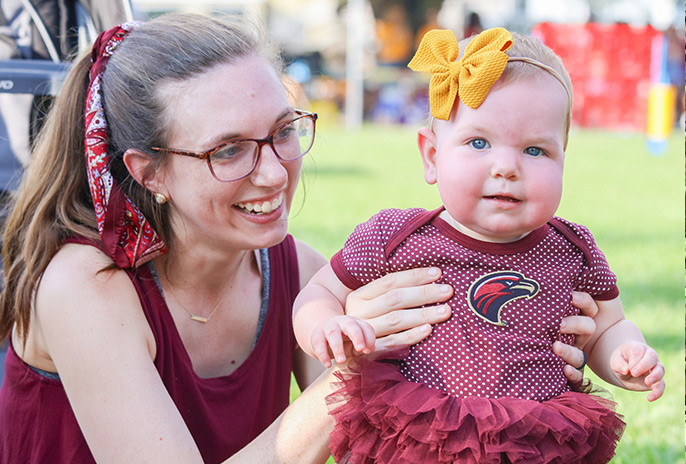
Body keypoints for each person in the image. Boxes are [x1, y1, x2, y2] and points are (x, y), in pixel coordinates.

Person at [0, 14, 597, 463]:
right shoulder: (85, 288)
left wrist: (510, 369)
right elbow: (340, 397)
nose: (273, 171)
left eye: (284, 130)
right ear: (148, 171)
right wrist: (353, 371)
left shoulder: (299, 276)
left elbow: (389, 445)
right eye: (227, 149)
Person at [293, 28, 665, 464]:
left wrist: (625, 353)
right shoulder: (395, 237)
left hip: (534, 438)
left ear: (565, 157)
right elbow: (319, 294)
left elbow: (606, 326)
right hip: (418, 433)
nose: (506, 166)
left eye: (535, 150)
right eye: (479, 143)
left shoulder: (573, 248)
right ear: (432, 157)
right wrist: (324, 326)